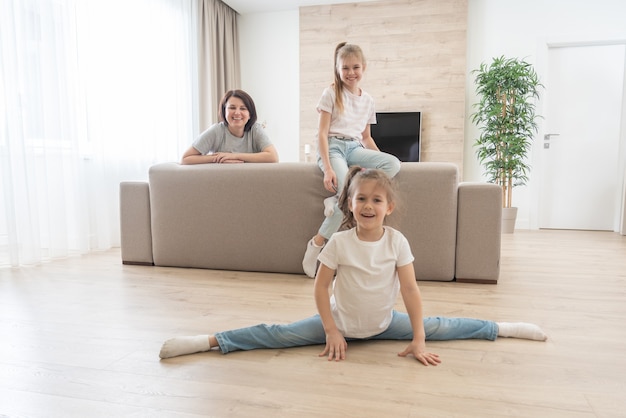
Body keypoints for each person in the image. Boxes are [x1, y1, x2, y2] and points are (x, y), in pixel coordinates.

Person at [159, 167, 547, 364]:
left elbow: (410, 290)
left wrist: (418, 338)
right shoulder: (340, 243)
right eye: (361, 199)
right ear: (349, 204)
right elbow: (320, 288)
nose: (368, 206)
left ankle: (504, 328)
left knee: (444, 326)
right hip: (341, 325)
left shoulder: (397, 242)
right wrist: (330, 330)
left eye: (377, 201)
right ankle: (209, 341)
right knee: (277, 334)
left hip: (383, 324)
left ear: (388, 208)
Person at [302, 42, 401, 278]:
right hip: (334, 147)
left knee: (393, 163)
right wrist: (327, 168)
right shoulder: (330, 94)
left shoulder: (368, 100)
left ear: (364, 67)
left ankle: (334, 199)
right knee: (348, 194)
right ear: (337, 69)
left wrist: (377, 162)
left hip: (355, 148)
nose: (350, 72)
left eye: (355, 67)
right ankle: (316, 243)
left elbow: (366, 137)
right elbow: (322, 134)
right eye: (345, 68)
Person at [181, 89, 279, 164]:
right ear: (224, 111)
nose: (237, 113)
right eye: (232, 108)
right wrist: (218, 159)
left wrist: (234, 156)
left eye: (243, 108)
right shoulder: (217, 131)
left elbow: (273, 157)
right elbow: (185, 159)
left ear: (249, 114)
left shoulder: (255, 129)